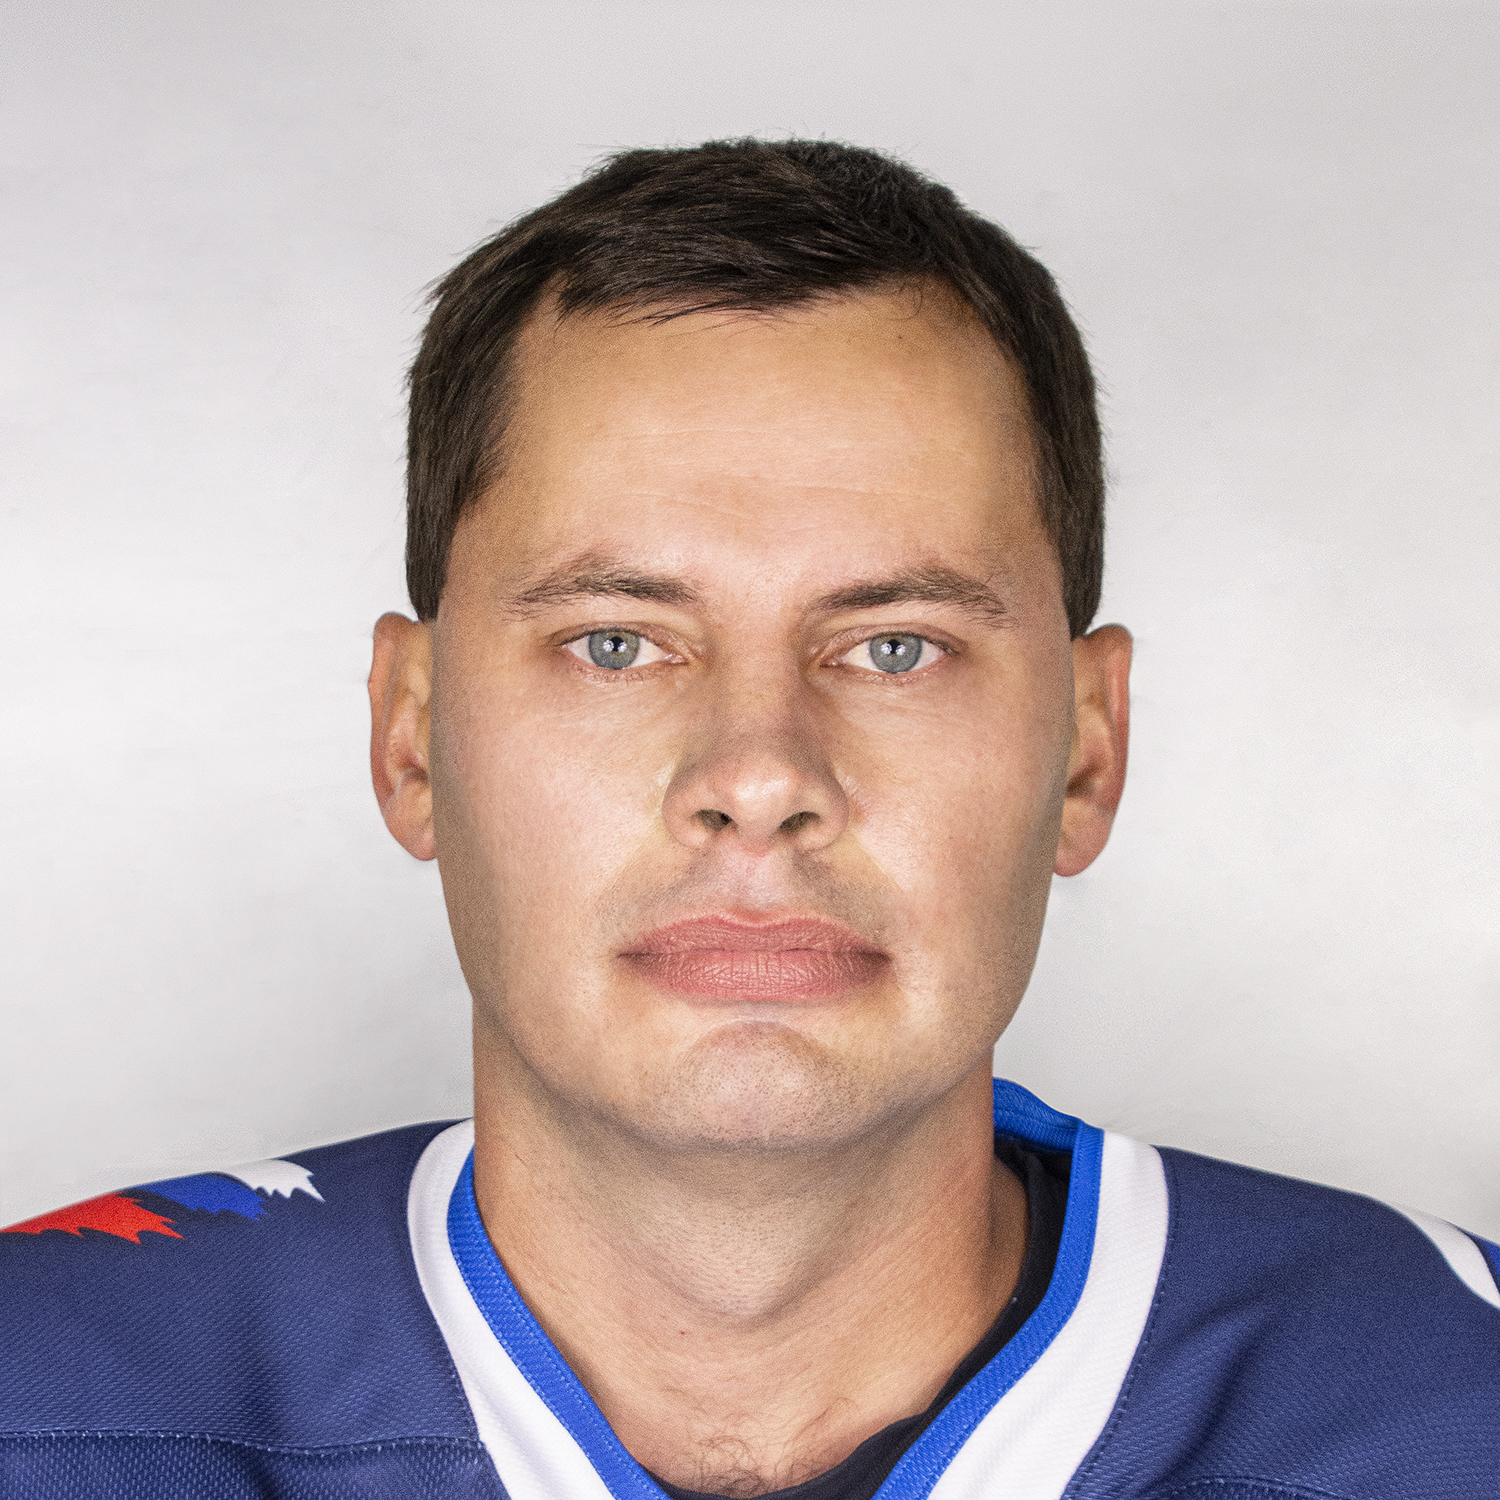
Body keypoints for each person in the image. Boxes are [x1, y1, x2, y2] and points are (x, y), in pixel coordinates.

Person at [1, 139, 1495, 1500]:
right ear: (412, 741)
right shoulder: (45, 1395)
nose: (761, 774)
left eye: (894, 646)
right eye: (615, 643)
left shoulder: (1454, 1405)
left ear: (1085, 756)